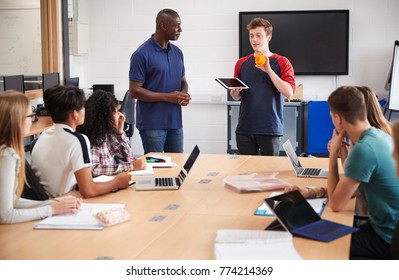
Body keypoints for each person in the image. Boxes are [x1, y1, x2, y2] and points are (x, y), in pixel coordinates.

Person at [321, 86, 399, 259]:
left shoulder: (364, 149)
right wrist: (342, 151)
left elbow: (336, 204)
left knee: (319, 244)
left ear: (338, 118)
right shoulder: (381, 135)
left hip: (386, 239)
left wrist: (333, 154)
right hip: (385, 228)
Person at [31, 85, 131, 198]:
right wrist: (117, 182)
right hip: (61, 202)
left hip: (46, 200)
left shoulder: (44, 135)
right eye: (83, 107)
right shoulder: (78, 140)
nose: (86, 111)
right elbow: (88, 190)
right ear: (75, 114)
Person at [0, 90, 81, 224]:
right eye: (30, 116)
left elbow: (12, 201)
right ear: (16, 120)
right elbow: (5, 215)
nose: (32, 121)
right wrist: (52, 210)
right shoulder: (6, 156)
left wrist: (52, 204)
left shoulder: (7, 151)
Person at [230, 17, 296, 156]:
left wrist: (269, 70)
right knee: (246, 175)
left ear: (269, 37)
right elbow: (236, 96)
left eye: (258, 36)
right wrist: (235, 94)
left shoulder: (282, 62)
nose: (254, 40)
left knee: (269, 174)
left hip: (270, 128)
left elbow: (289, 93)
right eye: (251, 36)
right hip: (245, 128)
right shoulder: (241, 63)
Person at [129, 8, 191, 154]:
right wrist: (168, 97)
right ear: (163, 26)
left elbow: (183, 80)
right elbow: (134, 91)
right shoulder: (141, 54)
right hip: (152, 125)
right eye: (177, 25)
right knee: (156, 170)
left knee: (177, 167)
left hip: (175, 123)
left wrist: (183, 94)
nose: (180, 29)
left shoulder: (178, 52)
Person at [79, 90, 146, 177]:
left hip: (110, 180)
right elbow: (94, 169)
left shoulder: (108, 134)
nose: (120, 114)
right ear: (106, 116)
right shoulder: (93, 136)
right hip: (101, 185)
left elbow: (128, 158)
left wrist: (120, 133)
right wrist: (131, 166)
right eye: (116, 112)